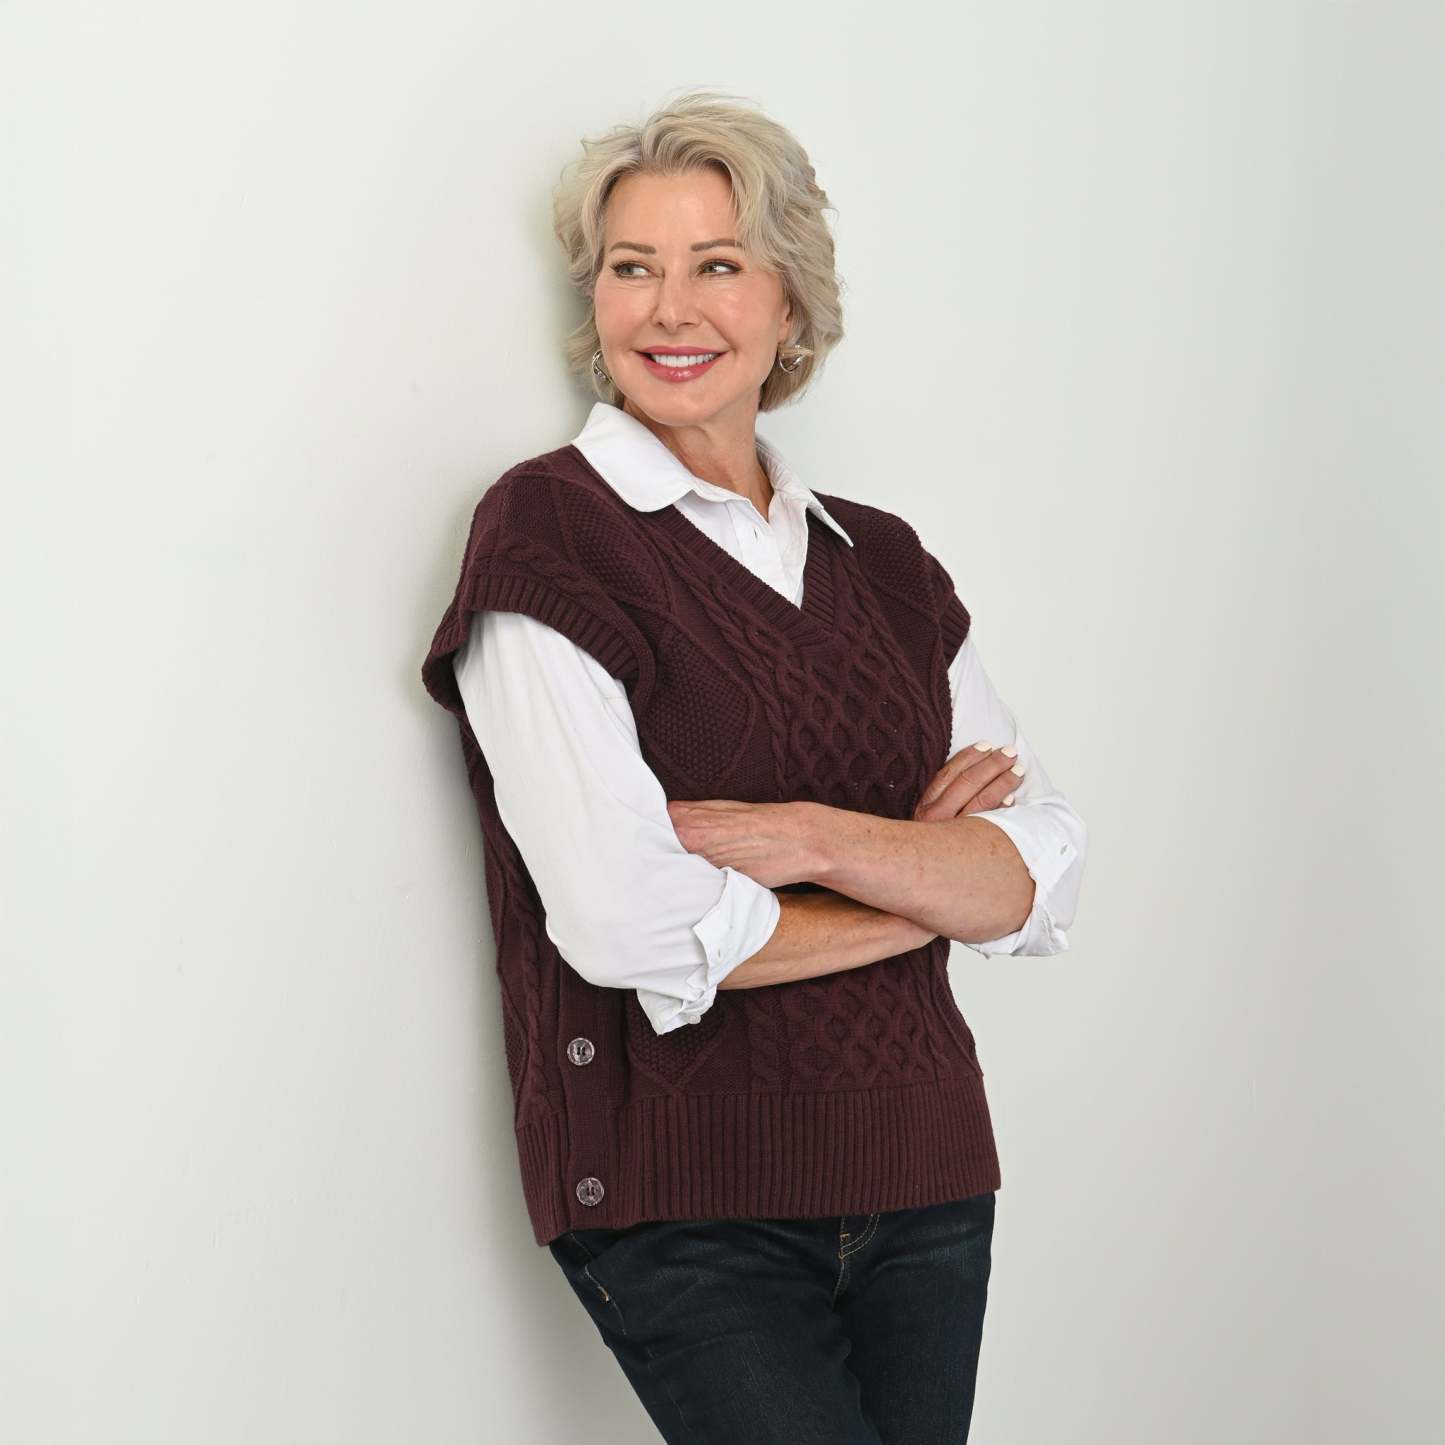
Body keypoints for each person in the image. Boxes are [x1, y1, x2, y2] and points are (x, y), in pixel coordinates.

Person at [421, 88, 1087, 1445]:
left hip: (925, 1169)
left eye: (717, 265)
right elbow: (626, 921)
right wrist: (925, 886)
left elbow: (1046, 868)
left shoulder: (883, 564)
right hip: (684, 1196)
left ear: (790, 306)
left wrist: (812, 839)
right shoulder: (550, 534)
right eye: (632, 268)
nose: (670, 310)